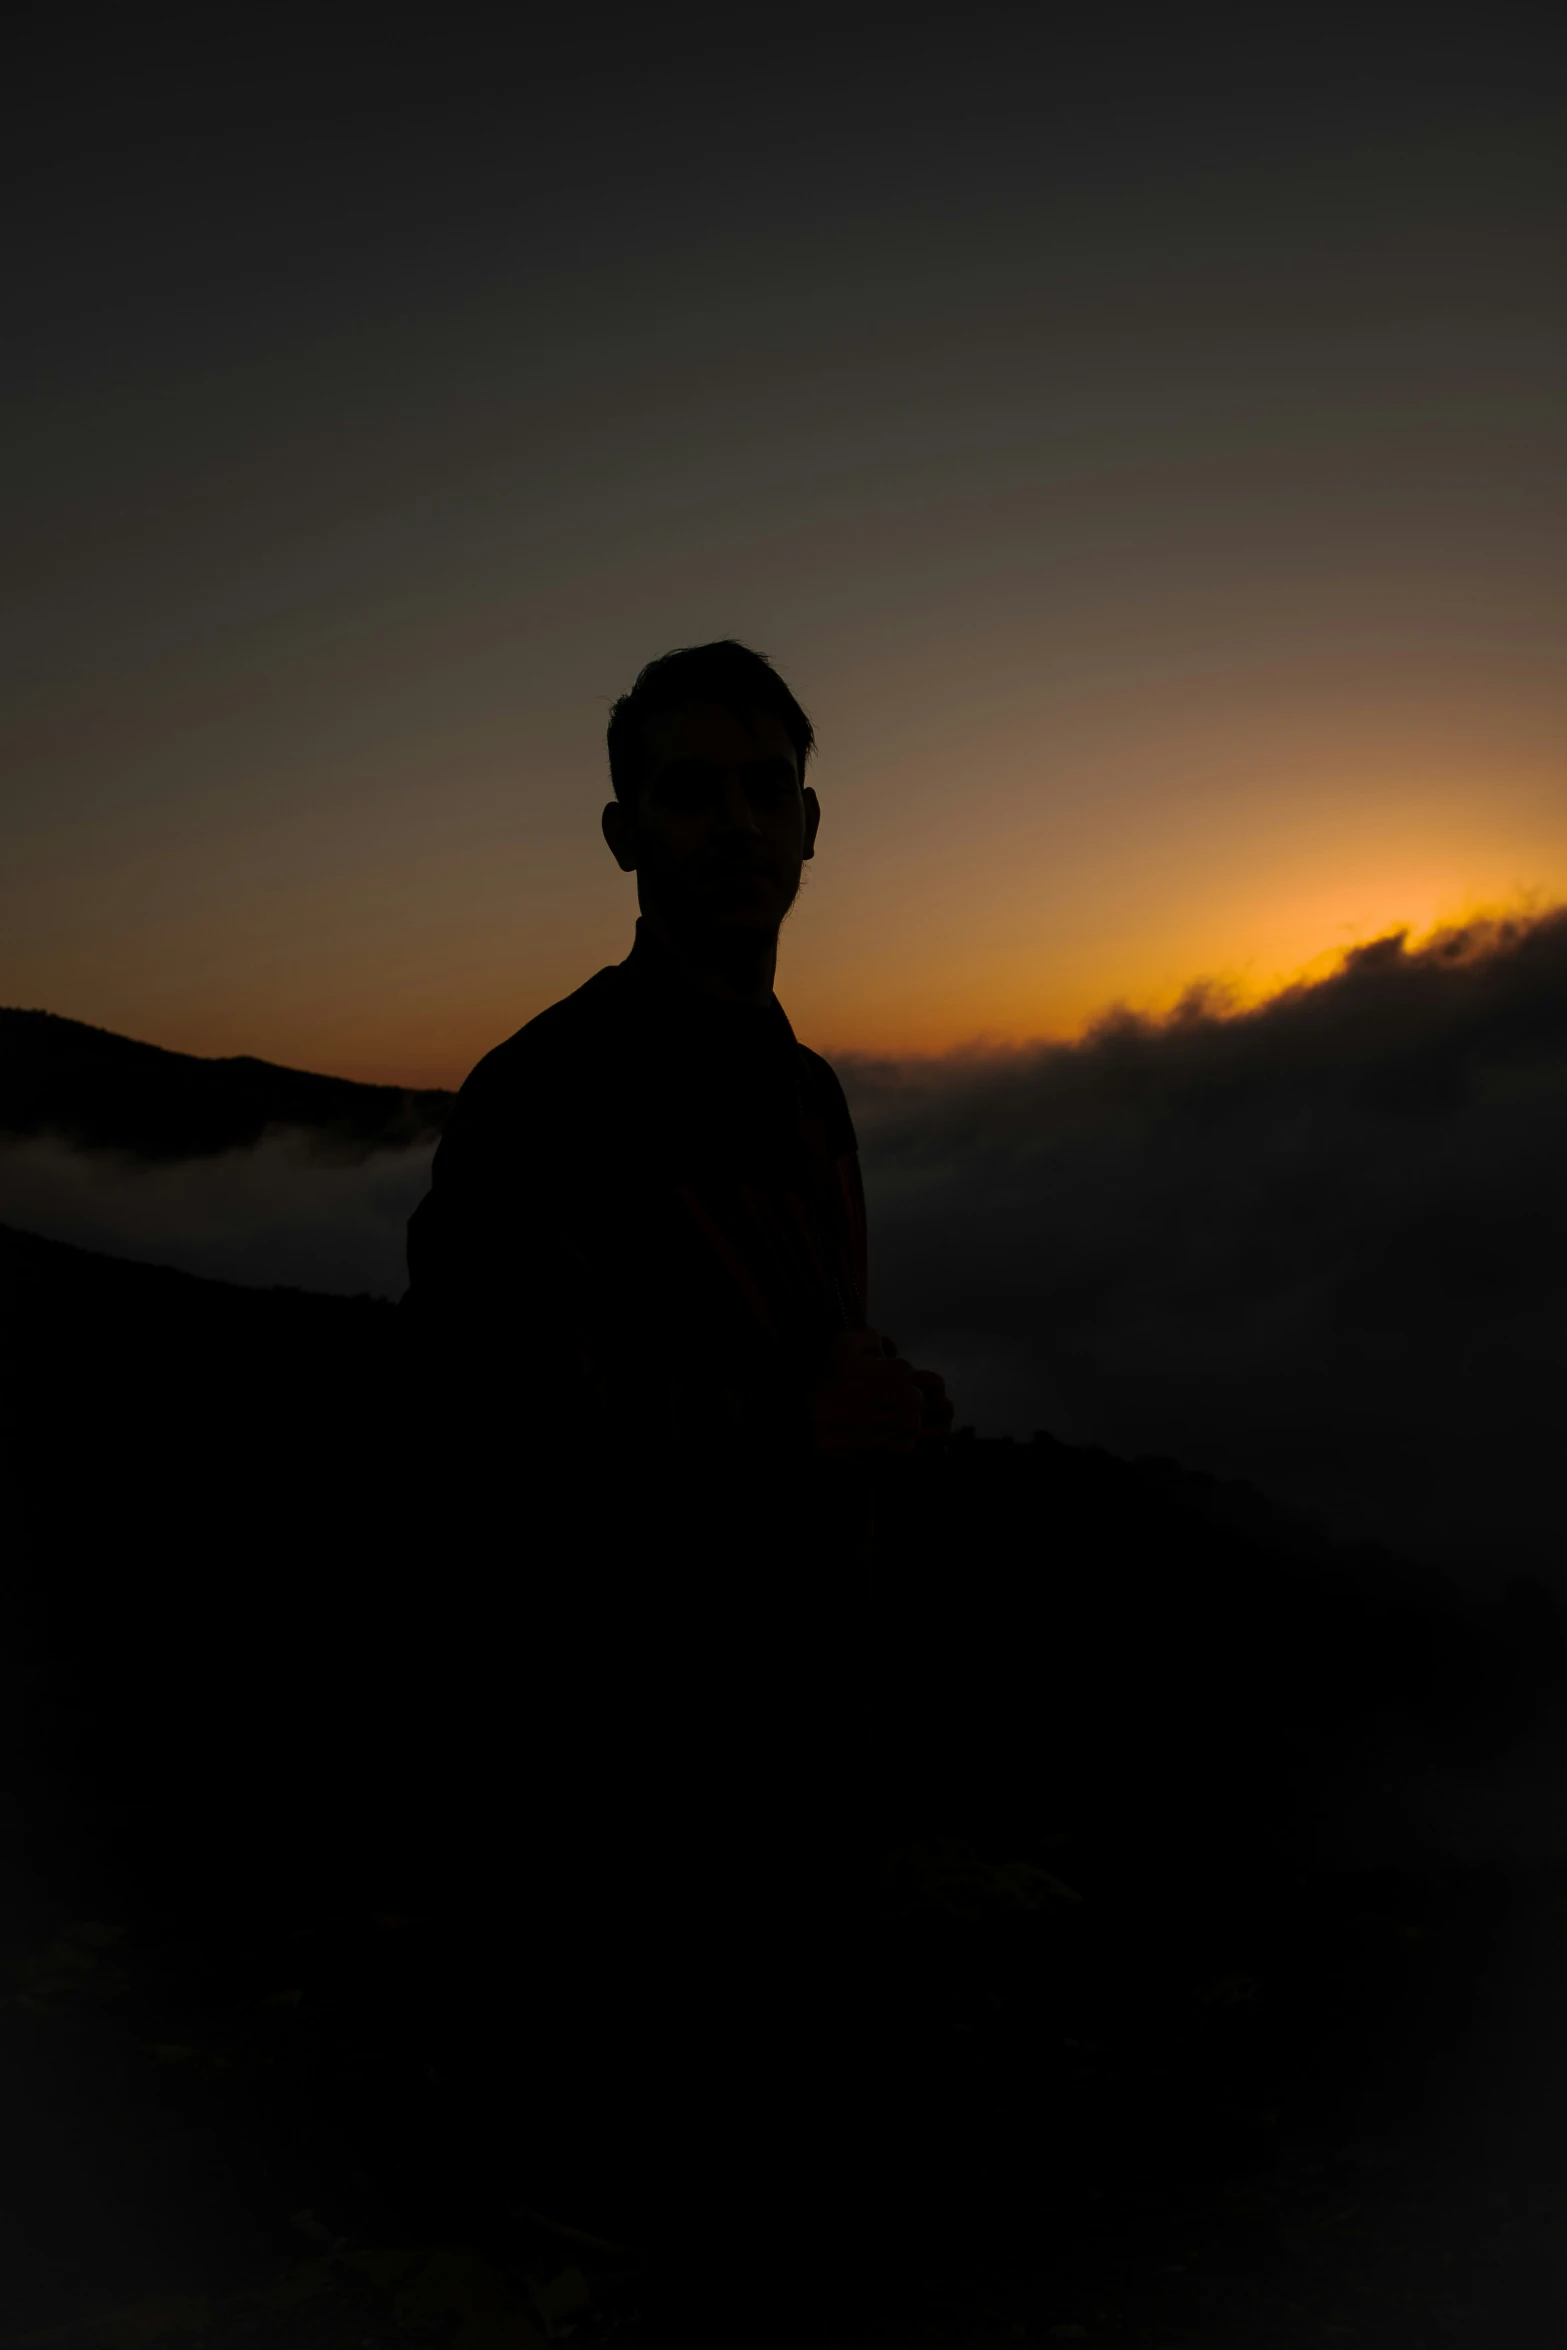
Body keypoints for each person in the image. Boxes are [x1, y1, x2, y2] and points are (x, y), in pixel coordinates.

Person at [398, 639, 953, 2323]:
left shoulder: (800, 1092)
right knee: (636, 2234)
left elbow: (802, 1363)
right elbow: (480, 1426)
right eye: (686, 791)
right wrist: (788, 1435)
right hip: (622, 1796)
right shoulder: (544, 1099)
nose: (730, 823)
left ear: (810, 825)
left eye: (759, 790)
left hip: (795, 1760)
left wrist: (868, 1426)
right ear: (621, 832)